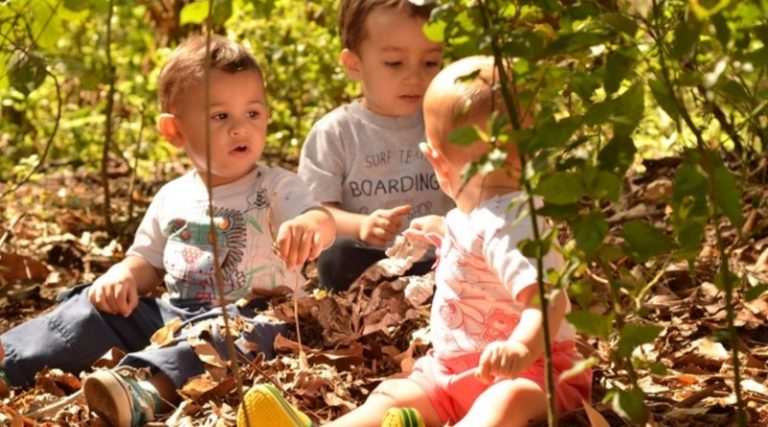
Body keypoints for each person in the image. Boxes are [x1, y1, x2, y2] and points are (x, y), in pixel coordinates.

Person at [0, 35, 335, 427]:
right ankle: (13, 356)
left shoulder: (277, 186)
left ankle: (144, 388)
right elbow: (147, 261)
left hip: (252, 317)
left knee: (228, 338)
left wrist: (308, 226)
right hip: (172, 315)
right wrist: (124, 275)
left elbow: (318, 218)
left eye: (253, 113)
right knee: (91, 308)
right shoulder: (172, 195)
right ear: (175, 131)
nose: (240, 128)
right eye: (220, 116)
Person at [237, 56, 592, 427]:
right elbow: (479, 251)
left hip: (534, 372)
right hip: (453, 371)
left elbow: (548, 301)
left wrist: (521, 347)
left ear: (435, 163)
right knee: (392, 396)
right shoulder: (477, 216)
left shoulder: (514, 224)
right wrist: (443, 230)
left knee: (504, 402)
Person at [298, 0, 454, 292]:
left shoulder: (447, 124)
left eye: (430, 62)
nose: (415, 77)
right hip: (368, 263)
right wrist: (361, 226)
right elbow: (315, 211)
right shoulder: (336, 132)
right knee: (336, 255)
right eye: (394, 63)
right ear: (354, 64)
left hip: (439, 261)